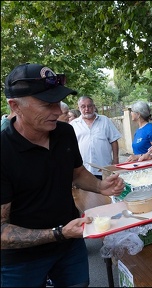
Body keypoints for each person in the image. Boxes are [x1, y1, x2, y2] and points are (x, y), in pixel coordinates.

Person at [1, 63, 125, 287]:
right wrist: (58, 233)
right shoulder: (3, 150)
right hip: (21, 262)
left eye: (57, 102)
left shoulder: (65, 133)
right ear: (15, 106)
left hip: (69, 247)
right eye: (47, 104)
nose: (58, 111)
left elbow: (76, 173)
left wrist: (100, 187)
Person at [70, 96, 122, 179]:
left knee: (107, 190)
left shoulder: (105, 121)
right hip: (83, 170)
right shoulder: (73, 125)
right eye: (83, 106)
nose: (87, 109)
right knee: (85, 191)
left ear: (94, 107)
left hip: (104, 168)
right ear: (78, 108)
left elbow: (114, 140)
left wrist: (115, 160)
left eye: (89, 106)